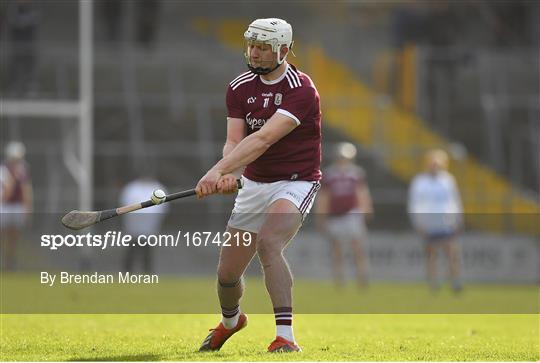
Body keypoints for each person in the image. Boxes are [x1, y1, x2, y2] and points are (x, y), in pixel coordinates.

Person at [195, 18, 321, 353]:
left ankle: (286, 337)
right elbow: (235, 141)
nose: (255, 52)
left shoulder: (301, 88)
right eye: (252, 45)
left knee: (269, 244)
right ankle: (231, 322)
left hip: (295, 182)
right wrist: (229, 173)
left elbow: (264, 138)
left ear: (282, 49)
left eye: (263, 47)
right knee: (227, 275)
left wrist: (216, 170)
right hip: (254, 183)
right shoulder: (238, 87)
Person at [316, 142, 373, 288]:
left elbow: (362, 193)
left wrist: (366, 209)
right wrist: (321, 216)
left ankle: (362, 277)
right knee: (337, 250)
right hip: (335, 216)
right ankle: (340, 280)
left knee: (357, 248)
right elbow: (324, 196)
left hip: (352, 214)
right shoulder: (329, 174)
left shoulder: (356, 173)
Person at [408, 149, 463, 292]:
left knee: (452, 253)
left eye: (437, 164)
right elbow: (414, 203)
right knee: (431, 255)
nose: (435, 167)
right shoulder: (419, 182)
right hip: (428, 224)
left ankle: (455, 282)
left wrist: (458, 219)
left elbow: (455, 200)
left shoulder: (448, 180)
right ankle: (433, 283)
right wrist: (418, 222)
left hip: (446, 222)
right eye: (432, 164)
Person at [119, 172, 168, 273]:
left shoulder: (157, 187)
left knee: (147, 249)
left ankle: (147, 271)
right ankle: (127, 271)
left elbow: (162, 207)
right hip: (134, 224)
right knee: (132, 247)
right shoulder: (132, 188)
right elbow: (125, 204)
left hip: (149, 224)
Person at [0, 141, 33, 271]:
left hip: (17, 207)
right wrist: (14, 178)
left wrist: (28, 207)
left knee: (14, 237)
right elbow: (6, 193)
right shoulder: (3, 169)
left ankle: (10, 264)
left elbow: (26, 189)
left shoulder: (23, 169)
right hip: (4, 206)